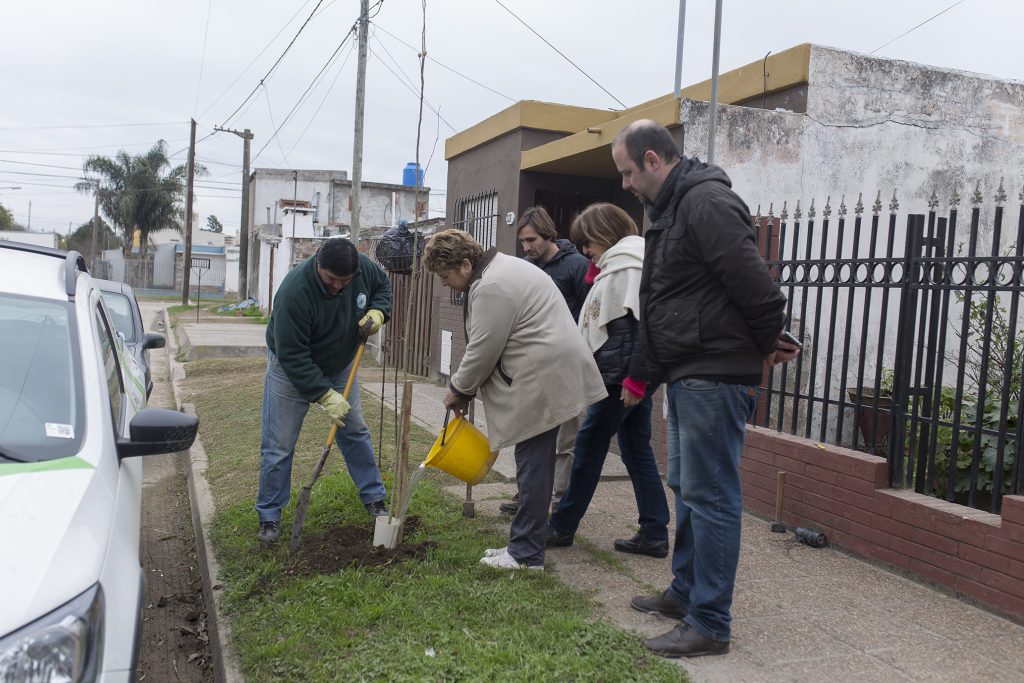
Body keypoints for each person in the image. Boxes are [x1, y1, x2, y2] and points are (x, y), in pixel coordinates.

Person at [612, 120, 799, 657]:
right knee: (686, 487)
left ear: (652, 159)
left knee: (711, 497)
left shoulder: (705, 203)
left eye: (627, 172)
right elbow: (664, 302)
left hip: (714, 372)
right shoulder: (672, 210)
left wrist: (765, 343)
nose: (625, 185)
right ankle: (685, 592)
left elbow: (755, 286)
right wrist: (643, 373)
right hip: (689, 369)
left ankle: (710, 622)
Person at [423, 228, 605, 570]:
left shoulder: (491, 284)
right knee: (534, 462)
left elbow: (483, 348)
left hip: (543, 376)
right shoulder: (500, 270)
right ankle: (524, 545)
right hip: (546, 371)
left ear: (465, 263)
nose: (445, 284)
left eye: (446, 276)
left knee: (534, 465)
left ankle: (525, 553)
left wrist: (459, 389)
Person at [546, 203, 671, 557]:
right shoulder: (624, 263)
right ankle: (654, 532)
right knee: (635, 449)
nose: (586, 251)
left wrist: (633, 381)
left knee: (587, 449)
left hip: (621, 379)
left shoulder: (626, 267)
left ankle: (561, 526)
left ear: (604, 234)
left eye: (588, 243)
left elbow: (635, 329)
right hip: (630, 377)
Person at [255, 237, 392, 544]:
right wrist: (325, 395)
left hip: (342, 364)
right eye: (331, 279)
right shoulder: (294, 292)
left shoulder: (363, 269)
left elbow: (382, 288)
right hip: (290, 371)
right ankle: (269, 516)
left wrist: (379, 311)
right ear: (318, 264)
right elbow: (292, 356)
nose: (338, 287)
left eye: (346, 281)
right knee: (279, 444)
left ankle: (374, 498)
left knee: (354, 430)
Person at [498, 206, 591, 516]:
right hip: (533, 368)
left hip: (565, 366)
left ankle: (561, 497)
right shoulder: (526, 268)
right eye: (522, 241)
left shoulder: (577, 266)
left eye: (531, 240)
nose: (526, 247)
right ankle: (528, 492)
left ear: (549, 234)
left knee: (567, 437)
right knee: (530, 434)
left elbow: (588, 312)